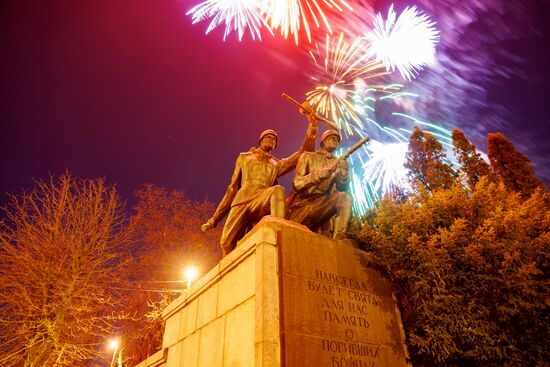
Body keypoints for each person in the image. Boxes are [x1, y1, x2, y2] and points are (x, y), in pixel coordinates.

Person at [201, 115, 318, 256]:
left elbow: (303, 152)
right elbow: (232, 188)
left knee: (277, 190)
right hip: (242, 201)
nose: (271, 140)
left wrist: (313, 127)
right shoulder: (244, 157)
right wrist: (214, 219)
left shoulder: (276, 163)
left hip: (262, 199)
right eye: (268, 137)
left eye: (274, 139)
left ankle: (280, 232)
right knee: (226, 243)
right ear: (261, 140)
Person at [287, 130, 352, 239]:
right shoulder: (308, 156)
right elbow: (296, 183)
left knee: (345, 197)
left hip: (324, 204)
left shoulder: (337, 162)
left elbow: (342, 188)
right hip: (306, 204)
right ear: (324, 141)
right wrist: (317, 176)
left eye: (338, 140)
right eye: (333, 138)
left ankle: (340, 239)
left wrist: (344, 172)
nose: (336, 141)